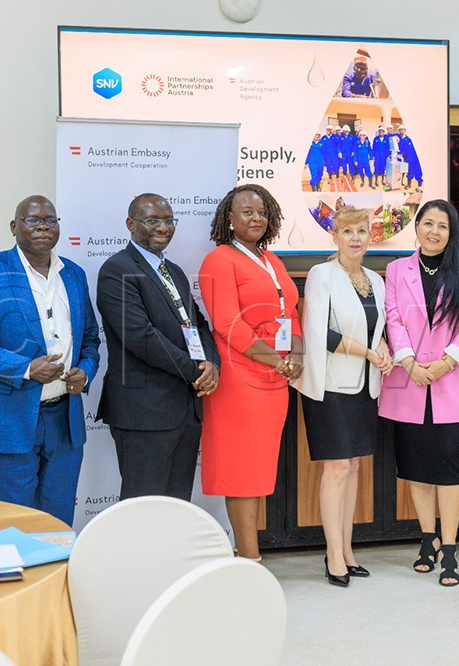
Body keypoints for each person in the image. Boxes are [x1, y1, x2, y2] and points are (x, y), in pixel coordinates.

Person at [0, 195, 100, 526]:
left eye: (50, 220)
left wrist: (85, 372)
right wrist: (26, 368)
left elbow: (90, 338)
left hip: (64, 421)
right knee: (13, 524)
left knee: (57, 525)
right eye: (33, 220)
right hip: (6, 420)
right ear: (14, 227)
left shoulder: (73, 274)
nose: (43, 226)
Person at [379, 199, 459, 587]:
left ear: (451, 232)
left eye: (442, 226)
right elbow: (393, 319)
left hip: (450, 380)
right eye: (428, 223)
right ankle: (428, 539)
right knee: (416, 466)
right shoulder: (397, 270)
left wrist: (446, 363)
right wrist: (408, 362)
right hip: (408, 381)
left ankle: (451, 550)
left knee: (448, 465)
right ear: (417, 226)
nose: (434, 231)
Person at [198, 184, 303, 562]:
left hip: (276, 379)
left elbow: (290, 312)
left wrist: (297, 353)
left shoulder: (271, 259)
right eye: (247, 212)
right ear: (230, 218)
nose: (256, 218)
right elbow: (228, 323)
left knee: (259, 469)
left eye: (262, 212)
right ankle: (250, 560)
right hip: (240, 377)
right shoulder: (219, 260)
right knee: (241, 471)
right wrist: (277, 360)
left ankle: (246, 554)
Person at [96, 193, 220, 501]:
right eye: (152, 221)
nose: (163, 228)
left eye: (168, 221)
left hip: (185, 410)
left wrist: (212, 364)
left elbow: (198, 324)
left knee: (177, 505)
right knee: (143, 506)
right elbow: (140, 336)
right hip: (144, 412)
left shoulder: (173, 271)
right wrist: (194, 371)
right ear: (131, 224)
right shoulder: (117, 269)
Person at [294, 207, 393, 587]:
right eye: (347, 231)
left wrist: (382, 347)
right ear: (334, 236)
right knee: (336, 467)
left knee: (353, 467)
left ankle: (348, 551)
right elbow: (320, 333)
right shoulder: (322, 275)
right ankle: (333, 554)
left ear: (371, 237)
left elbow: (376, 327)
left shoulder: (376, 280)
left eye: (362, 231)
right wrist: (368, 351)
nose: (355, 238)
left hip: (365, 386)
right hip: (330, 387)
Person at [397, 126, 424, 193]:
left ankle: (420, 186)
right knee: (409, 170)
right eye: (400, 130)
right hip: (408, 158)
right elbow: (403, 149)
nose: (401, 131)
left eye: (402, 130)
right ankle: (409, 184)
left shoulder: (410, 139)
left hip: (416, 158)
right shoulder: (402, 139)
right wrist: (401, 154)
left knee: (418, 171)